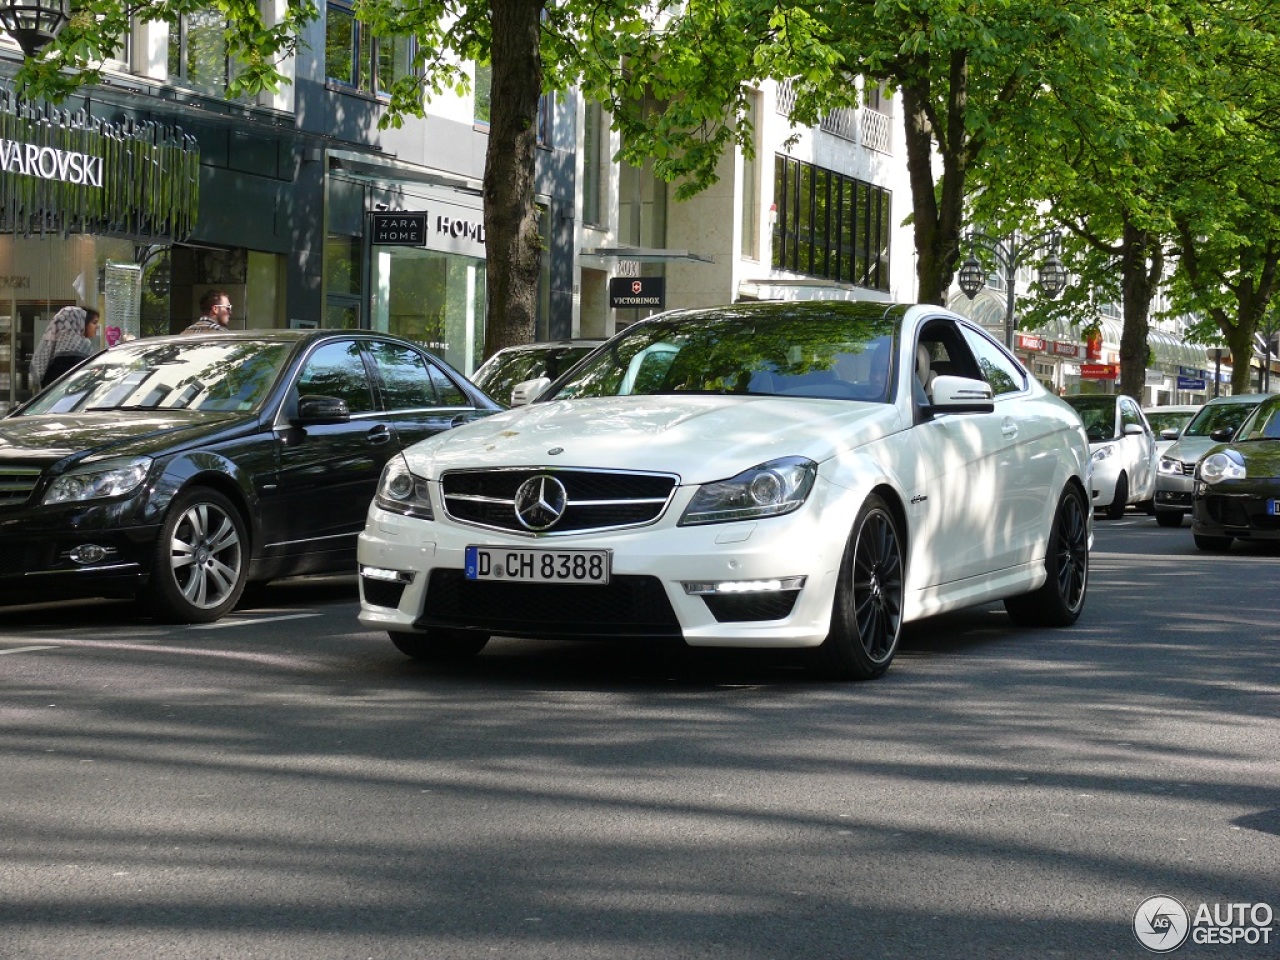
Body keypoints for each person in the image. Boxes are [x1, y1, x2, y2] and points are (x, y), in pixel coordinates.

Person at [30, 306, 100, 391]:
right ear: (80, 322)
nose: (97, 327)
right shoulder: (79, 344)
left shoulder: (54, 344)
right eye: (94, 322)